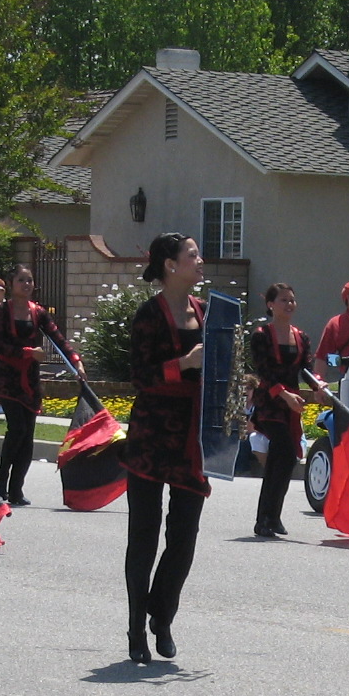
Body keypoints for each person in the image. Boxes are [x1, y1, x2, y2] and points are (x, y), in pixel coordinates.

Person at [124, 233, 209, 664]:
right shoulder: (148, 316)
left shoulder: (206, 313)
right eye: (192, 254)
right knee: (144, 534)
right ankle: (137, 624)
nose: (200, 260)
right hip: (151, 436)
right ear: (170, 266)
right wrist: (185, 364)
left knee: (184, 537)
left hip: (191, 440)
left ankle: (163, 615)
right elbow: (141, 377)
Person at [0, 264, 81, 507]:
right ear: (11, 283)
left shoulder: (38, 312)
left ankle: (16, 488)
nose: (27, 284)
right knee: (16, 429)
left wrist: (76, 362)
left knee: (27, 435)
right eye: (21, 280)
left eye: (30, 280)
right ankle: (1, 478)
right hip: (7, 379)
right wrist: (28, 353)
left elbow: (58, 338)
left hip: (30, 380)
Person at [249, 282, 322, 538]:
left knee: (286, 459)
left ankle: (271, 517)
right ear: (270, 305)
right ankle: (264, 518)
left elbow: (306, 369)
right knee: (285, 450)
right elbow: (263, 372)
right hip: (270, 402)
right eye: (283, 300)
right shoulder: (261, 335)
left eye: (292, 300)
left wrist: (317, 385)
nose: (289, 304)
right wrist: (284, 394)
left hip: (292, 404)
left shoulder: (301, 336)